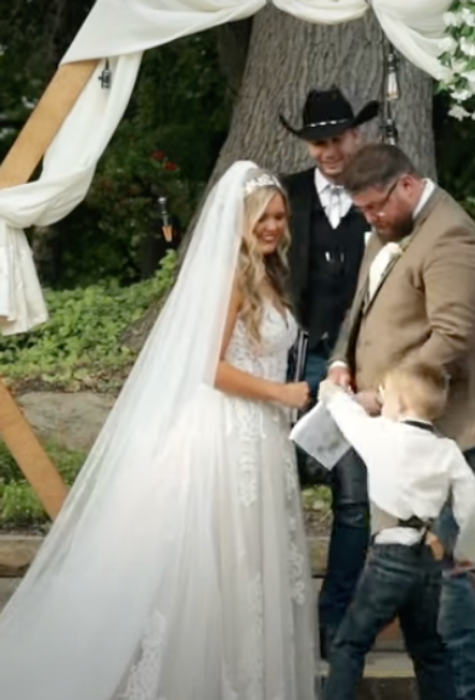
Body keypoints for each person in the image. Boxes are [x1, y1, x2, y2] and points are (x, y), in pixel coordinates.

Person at [0, 162, 318, 698]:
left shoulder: (267, 275)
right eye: (263, 216)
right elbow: (207, 367)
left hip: (259, 436)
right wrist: (280, 393)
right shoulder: (228, 281)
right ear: (239, 220)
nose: (273, 226)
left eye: (280, 216)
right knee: (216, 560)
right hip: (225, 433)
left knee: (250, 567)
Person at [329, 143, 475, 700]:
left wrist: (386, 393)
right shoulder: (387, 229)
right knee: (417, 591)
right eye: (363, 212)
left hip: (439, 425)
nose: (371, 218)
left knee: (448, 588)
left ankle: (464, 693)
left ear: (407, 184)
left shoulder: (451, 236)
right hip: (387, 423)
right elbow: (362, 310)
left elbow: (452, 335)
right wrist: (340, 362)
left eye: (376, 206)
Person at [319, 364, 475, 700]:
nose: (382, 400)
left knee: (350, 643)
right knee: (429, 651)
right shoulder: (447, 449)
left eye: (385, 395)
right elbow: (472, 505)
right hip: (428, 561)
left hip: (387, 559)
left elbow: (345, 414)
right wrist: (464, 555)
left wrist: (330, 391)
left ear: (402, 403)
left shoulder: (381, 434)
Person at [278, 86, 377, 654]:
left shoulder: (378, 193)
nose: (329, 151)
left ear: (355, 137)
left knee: (353, 494)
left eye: (337, 138)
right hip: (295, 360)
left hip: (359, 369)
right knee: (278, 484)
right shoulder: (287, 197)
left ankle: (331, 619)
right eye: (319, 142)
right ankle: (279, 610)